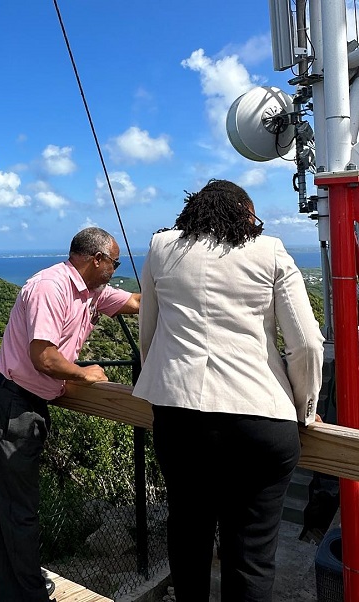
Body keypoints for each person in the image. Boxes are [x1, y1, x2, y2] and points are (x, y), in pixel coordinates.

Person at [132, 179, 324, 601]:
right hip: (259, 420)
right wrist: (305, 409)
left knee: (187, 534)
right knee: (250, 553)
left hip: (179, 417)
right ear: (246, 213)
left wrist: (159, 385)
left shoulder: (161, 247)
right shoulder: (269, 249)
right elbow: (307, 343)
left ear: (193, 212)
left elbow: (150, 330)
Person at [0, 226, 140, 602]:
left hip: (21, 404)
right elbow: (44, 356)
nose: (116, 268)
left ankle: (8, 589)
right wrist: (84, 373)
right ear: (96, 259)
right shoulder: (51, 288)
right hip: (12, 406)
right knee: (19, 509)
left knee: (9, 504)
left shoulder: (90, 292)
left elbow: (134, 302)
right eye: (114, 262)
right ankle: (26, 595)